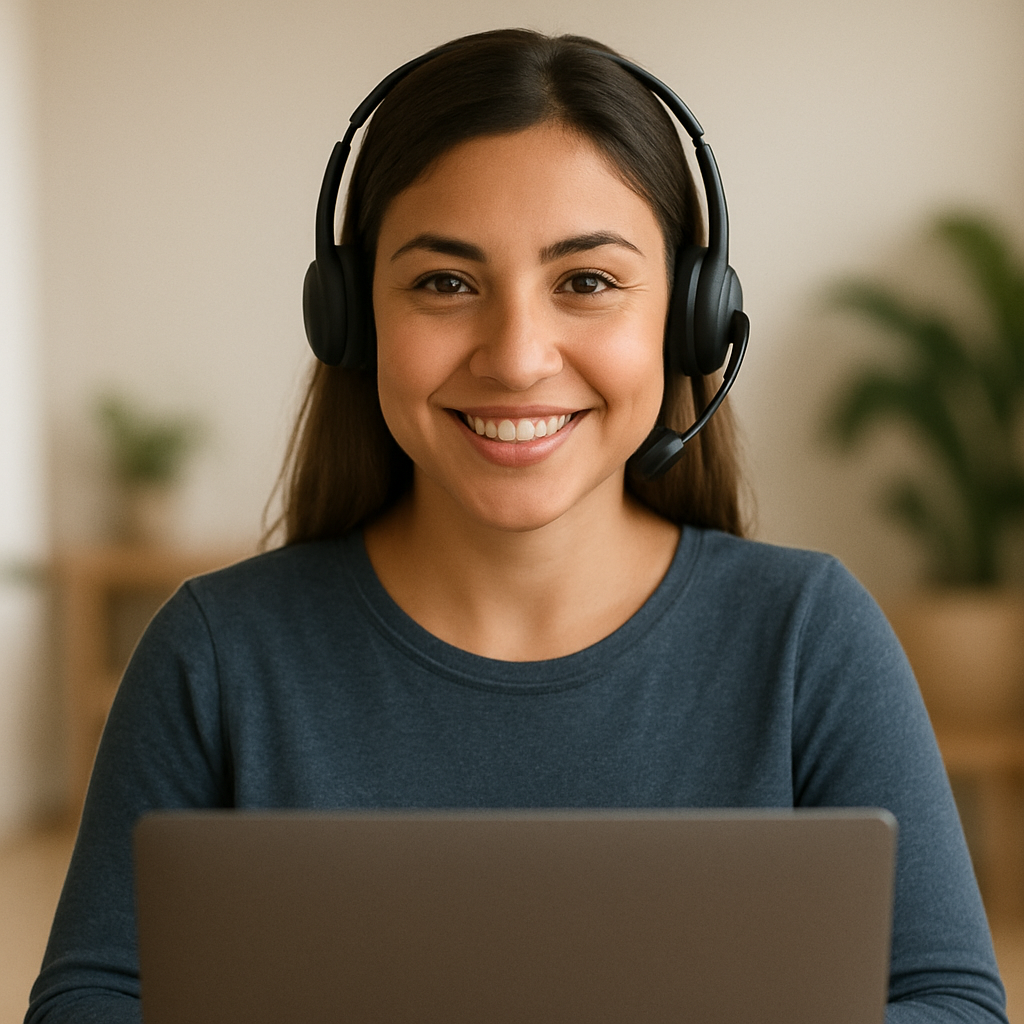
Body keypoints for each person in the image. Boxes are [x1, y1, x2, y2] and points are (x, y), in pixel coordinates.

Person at [27, 28, 1006, 1024]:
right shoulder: (215, 654)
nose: (516, 356)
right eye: (445, 283)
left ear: (688, 321)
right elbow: (88, 1002)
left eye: (586, 281)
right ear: (352, 320)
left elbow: (949, 1003)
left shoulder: (808, 635)